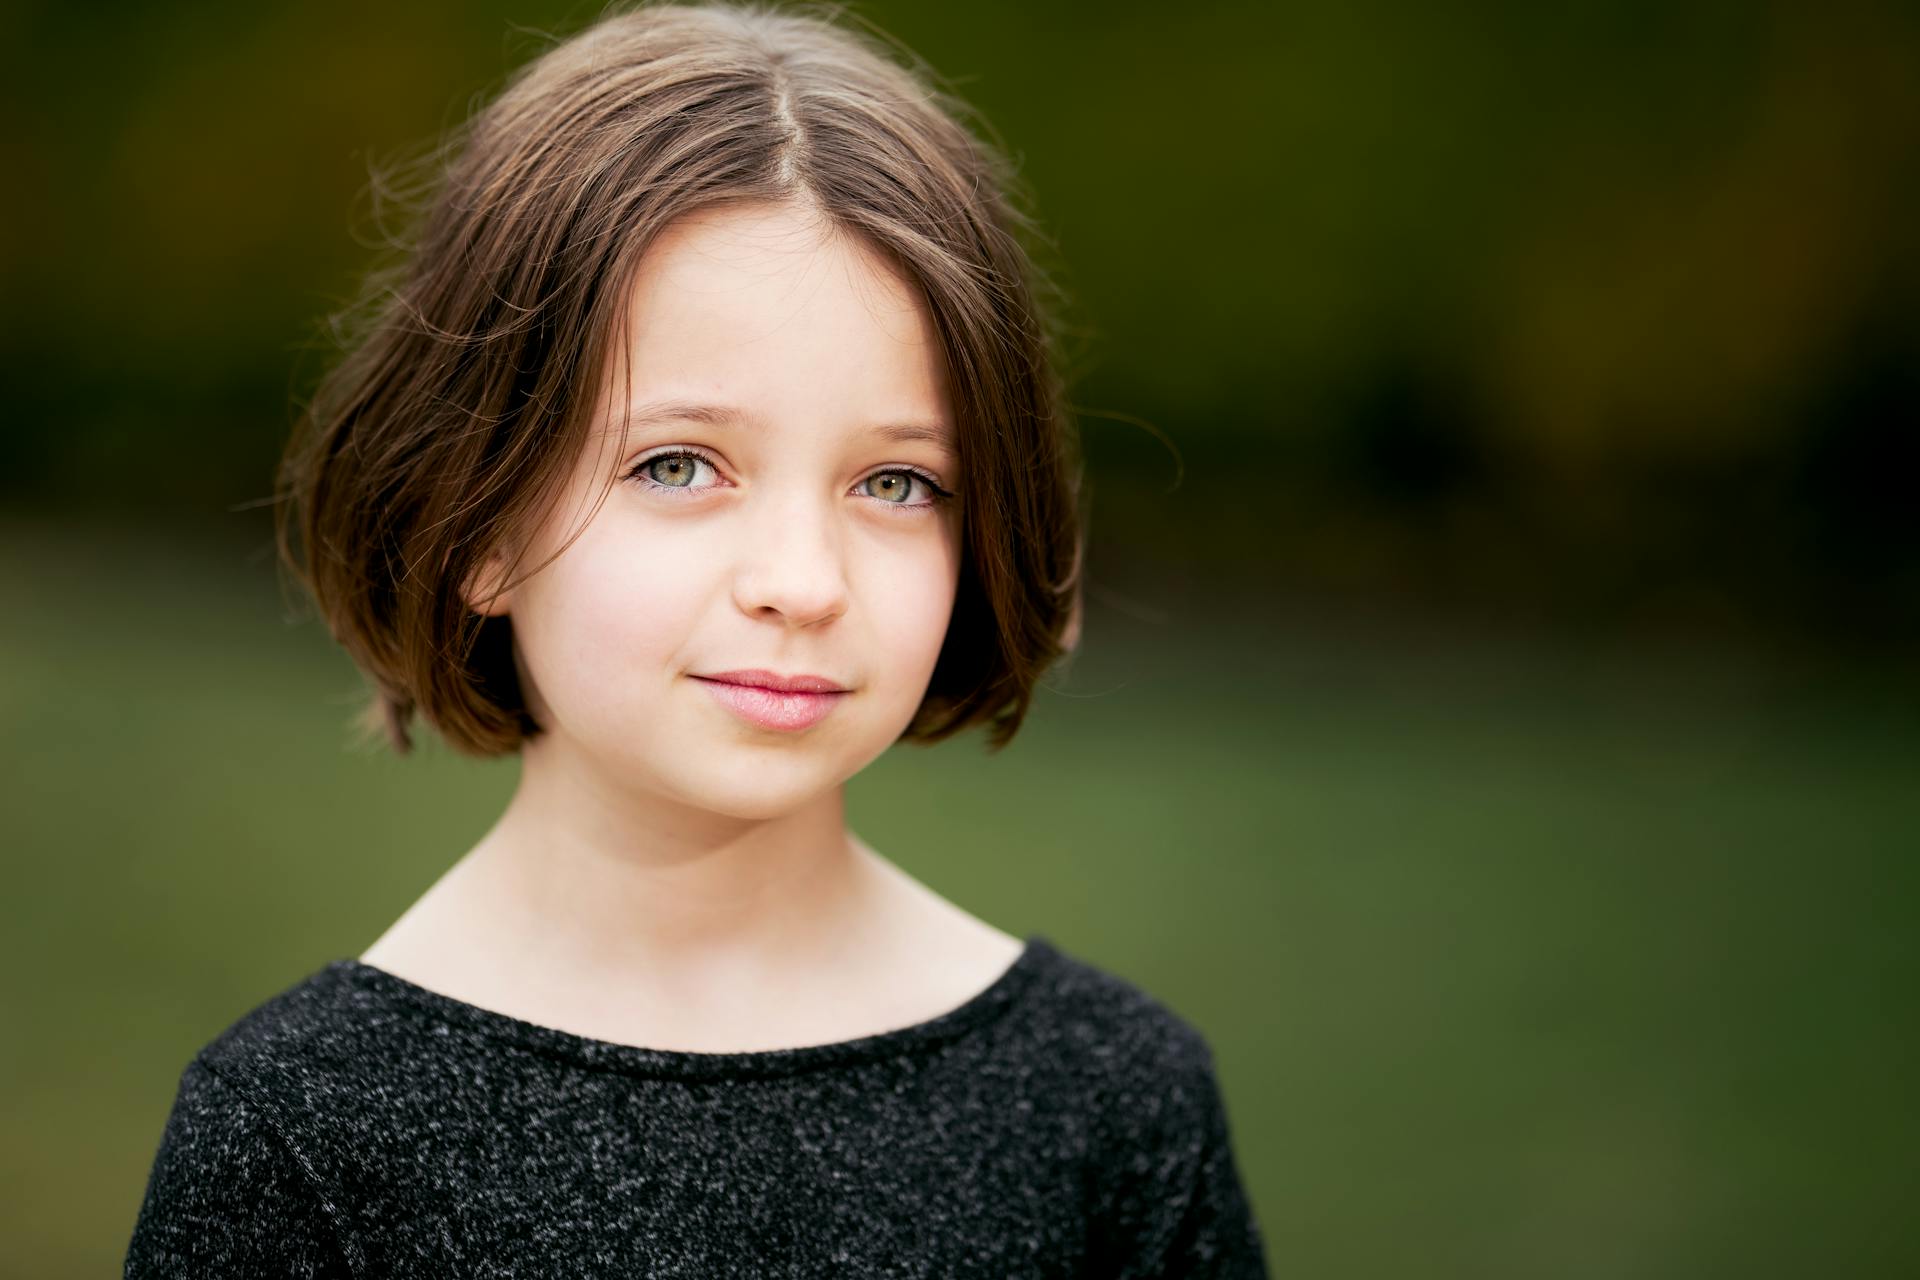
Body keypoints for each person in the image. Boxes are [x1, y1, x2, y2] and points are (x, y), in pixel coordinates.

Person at [122, 2, 1269, 1274]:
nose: (802, 581)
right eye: (679, 463)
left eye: (896, 482)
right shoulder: (299, 1139)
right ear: (477, 518)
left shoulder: (1115, 1104)